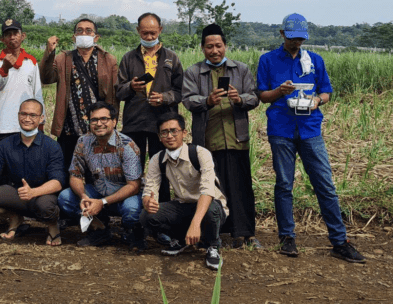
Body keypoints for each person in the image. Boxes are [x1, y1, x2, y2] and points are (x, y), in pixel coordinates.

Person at [257, 13, 366, 264]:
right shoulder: (268, 60)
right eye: (293, 38)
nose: (297, 43)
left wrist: (317, 100)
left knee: (325, 185)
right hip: (281, 129)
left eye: (301, 39)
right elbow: (263, 95)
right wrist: (279, 92)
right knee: (284, 184)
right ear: (282, 34)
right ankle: (287, 238)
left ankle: (340, 241)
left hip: (310, 128)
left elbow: (326, 91)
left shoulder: (315, 60)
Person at [182, 23, 262, 249]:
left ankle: (245, 234)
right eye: (209, 47)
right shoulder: (193, 72)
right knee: (211, 188)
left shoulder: (241, 69)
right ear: (202, 48)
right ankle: (214, 235)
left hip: (237, 140)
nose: (214, 50)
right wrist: (207, 101)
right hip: (207, 141)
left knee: (240, 188)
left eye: (218, 46)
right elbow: (187, 100)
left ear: (226, 46)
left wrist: (239, 99)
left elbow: (254, 98)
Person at [140, 114, 228, 271]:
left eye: (174, 131)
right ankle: (181, 240)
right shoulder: (157, 159)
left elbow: (208, 190)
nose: (169, 136)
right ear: (159, 137)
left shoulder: (200, 153)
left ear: (184, 133)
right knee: (147, 216)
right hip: (184, 205)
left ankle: (212, 246)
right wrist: (148, 202)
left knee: (211, 210)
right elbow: (149, 189)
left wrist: (195, 223)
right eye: (164, 132)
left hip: (210, 206)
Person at [0, 98, 66, 246]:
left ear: (41, 118)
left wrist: (33, 192)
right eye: (23, 114)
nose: (27, 119)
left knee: (46, 207)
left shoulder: (52, 146)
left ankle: (53, 227)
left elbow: (57, 182)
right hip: (15, 194)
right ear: (18, 115)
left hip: (42, 194)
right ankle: (15, 217)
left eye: (33, 115)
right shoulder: (5, 144)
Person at [57, 102, 144, 248]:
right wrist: (83, 197)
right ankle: (100, 228)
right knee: (65, 198)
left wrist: (102, 202)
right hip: (98, 191)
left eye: (104, 119)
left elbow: (134, 186)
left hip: (125, 196)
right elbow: (75, 175)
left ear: (114, 122)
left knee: (132, 210)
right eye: (94, 120)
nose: (99, 124)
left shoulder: (126, 145)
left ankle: (132, 231)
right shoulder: (83, 142)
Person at [40, 17, 119, 171]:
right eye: (79, 31)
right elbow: (46, 78)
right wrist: (49, 52)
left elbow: (114, 93)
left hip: (98, 127)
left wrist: (112, 121)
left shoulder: (108, 60)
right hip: (69, 127)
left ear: (96, 37)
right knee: (68, 169)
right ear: (74, 37)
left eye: (88, 31)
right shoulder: (63, 58)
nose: (84, 33)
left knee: (97, 170)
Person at [116, 13, 183, 166]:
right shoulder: (129, 58)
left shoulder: (171, 58)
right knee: (132, 166)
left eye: (153, 33)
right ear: (138, 30)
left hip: (163, 122)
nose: (149, 37)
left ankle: (162, 191)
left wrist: (164, 98)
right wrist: (131, 87)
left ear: (160, 30)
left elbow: (180, 91)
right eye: (145, 33)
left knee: (163, 167)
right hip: (134, 121)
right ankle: (135, 190)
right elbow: (119, 91)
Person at [0, 18, 44, 149]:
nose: (12, 37)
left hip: (27, 124)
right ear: (2, 39)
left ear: (22, 36)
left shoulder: (31, 62)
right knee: (3, 165)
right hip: (3, 124)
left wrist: (41, 121)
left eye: (15, 33)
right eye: (8, 34)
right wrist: (5, 68)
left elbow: (37, 93)